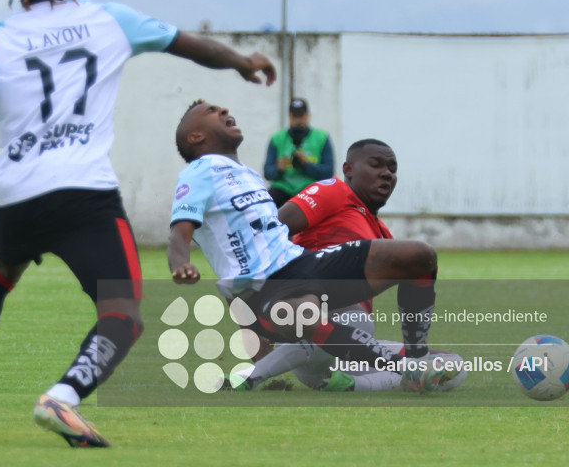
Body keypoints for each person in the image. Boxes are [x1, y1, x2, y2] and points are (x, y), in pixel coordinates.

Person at [0, 0, 275, 448]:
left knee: (0, 271)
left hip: (16, 194)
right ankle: (63, 397)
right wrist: (242, 61)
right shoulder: (108, 19)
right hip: (83, 194)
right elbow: (192, 46)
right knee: (123, 313)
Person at [168, 101, 444, 393]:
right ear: (196, 137)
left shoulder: (247, 174)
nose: (223, 111)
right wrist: (180, 264)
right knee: (302, 312)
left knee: (418, 256)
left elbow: (274, 231)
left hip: (303, 265)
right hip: (265, 288)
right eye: (212, 112)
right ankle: (404, 367)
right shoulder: (197, 173)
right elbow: (179, 231)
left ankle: (416, 356)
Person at [227, 139, 466, 393]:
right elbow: (271, 232)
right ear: (348, 169)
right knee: (356, 320)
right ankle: (252, 375)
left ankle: (348, 385)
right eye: (376, 165)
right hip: (310, 324)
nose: (387, 173)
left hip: (350, 348)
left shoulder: (384, 236)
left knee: (453, 366)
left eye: (392, 169)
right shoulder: (335, 191)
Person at [263, 97, 334, 207]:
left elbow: (328, 172)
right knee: (267, 202)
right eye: (294, 116)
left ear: (308, 116)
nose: (298, 121)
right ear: (289, 117)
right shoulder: (277, 138)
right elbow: (267, 173)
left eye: (301, 116)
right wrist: (278, 168)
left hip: (310, 188)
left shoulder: (322, 137)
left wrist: (306, 165)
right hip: (283, 188)